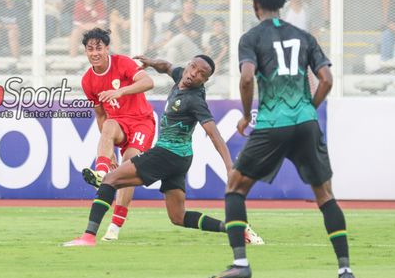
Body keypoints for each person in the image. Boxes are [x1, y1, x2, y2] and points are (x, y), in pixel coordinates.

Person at [209, 0, 356, 278]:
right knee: (324, 194)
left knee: (235, 187)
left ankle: (240, 263)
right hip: (305, 123)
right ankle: (345, 269)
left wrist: (246, 115)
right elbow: (327, 79)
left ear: (255, 6)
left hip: (272, 124)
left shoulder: (251, 38)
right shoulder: (304, 36)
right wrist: (309, 108)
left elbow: (247, 78)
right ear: (282, 4)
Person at [63, 54, 263, 247]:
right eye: (193, 67)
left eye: (201, 74)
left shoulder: (195, 100)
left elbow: (215, 135)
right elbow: (166, 66)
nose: (194, 73)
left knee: (110, 179)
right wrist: (151, 63)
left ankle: (88, 237)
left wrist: (229, 167)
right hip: (181, 158)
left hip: (167, 154)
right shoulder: (181, 76)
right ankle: (237, 229)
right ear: (188, 65)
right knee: (178, 216)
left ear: (205, 81)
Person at [76, 28, 156, 241]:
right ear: (85, 51)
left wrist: (120, 91)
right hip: (118, 123)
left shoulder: (122, 63)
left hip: (141, 122)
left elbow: (149, 82)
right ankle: (101, 171)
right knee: (109, 124)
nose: (95, 53)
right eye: (90, 49)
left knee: (128, 165)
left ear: (107, 49)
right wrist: (108, 151)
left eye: (99, 48)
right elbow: (100, 115)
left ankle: (115, 225)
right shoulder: (87, 80)